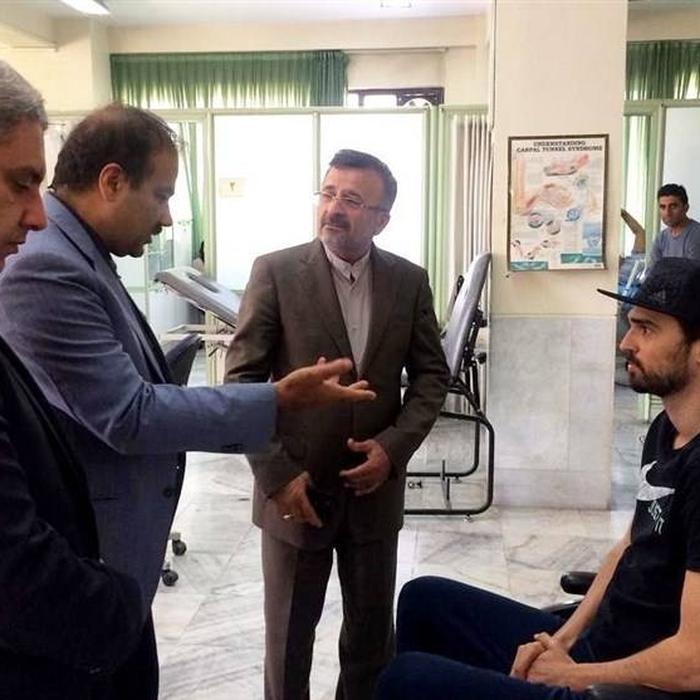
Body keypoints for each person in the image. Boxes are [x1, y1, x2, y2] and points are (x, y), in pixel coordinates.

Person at [0, 104, 375, 698]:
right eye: (162, 195)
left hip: (117, 571)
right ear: (112, 181)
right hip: (86, 574)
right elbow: (130, 414)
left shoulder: (83, 255)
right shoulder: (46, 266)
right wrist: (276, 401)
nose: (167, 217)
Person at [375, 256, 700, 700]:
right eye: (631, 324)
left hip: (625, 685)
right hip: (596, 648)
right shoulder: (667, 429)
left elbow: (692, 662)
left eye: (647, 329)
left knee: (406, 679)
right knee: (423, 599)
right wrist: (562, 640)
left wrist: (575, 676)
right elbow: (628, 547)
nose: (626, 342)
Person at [225, 149, 449, 699]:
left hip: (374, 493)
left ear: (382, 218)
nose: (333, 208)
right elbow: (242, 383)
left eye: (351, 199)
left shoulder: (408, 281)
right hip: (296, 492)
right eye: (327, 193)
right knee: (288, 646)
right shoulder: (276, 272)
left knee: (371, 646)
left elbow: (431, 377)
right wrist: (277, 475)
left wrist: (392, 449)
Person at [0, 60, 152, 699]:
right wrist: (121, 605)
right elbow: (16, 568)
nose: (36, 217)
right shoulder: (47, 268)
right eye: (20, 184)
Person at [648, 183, 700, 269]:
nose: (667, 213)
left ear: (686, 208)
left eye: (673, 207)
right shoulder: (660, 238)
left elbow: (693, 274)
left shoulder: (696, 235)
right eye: (663, 207)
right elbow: (651, 272)